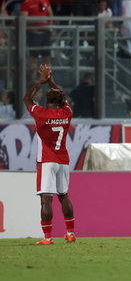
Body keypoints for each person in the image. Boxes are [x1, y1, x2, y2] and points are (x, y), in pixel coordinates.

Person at [23, 64, 76, 245]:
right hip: (63, 161)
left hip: (47, 161)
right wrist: (51, 81)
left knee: (46, 200)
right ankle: (70, 233)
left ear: (47, 102)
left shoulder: (41, 114)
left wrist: (40, 82)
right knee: (64, 197)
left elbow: (26, 99)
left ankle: (48, 238)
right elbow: (62, 97)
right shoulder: (67, 113)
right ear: (62, 102)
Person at [21, 0, 53, 82]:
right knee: (33, 57)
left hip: (45, 32)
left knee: (46, 57)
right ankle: (33, 79)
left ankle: (48, 79)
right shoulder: (26, 3)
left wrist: (50, 26)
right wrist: (38, 20)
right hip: (33, 33)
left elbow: (50, 14)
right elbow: (24, 19)